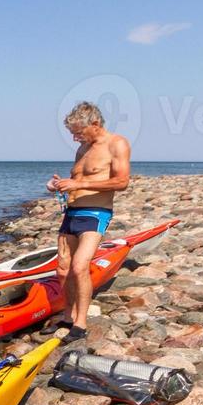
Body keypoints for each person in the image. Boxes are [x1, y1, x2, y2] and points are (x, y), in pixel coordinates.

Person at [47, 101, 132, 343]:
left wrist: (79, 184)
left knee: (79, 267)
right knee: (62, 269)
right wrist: (61, 183)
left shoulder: (117, 143)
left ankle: (80, 324)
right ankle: (67, 315)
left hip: (95, 213)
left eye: (79, 132)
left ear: (94, 124)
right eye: (73, 133)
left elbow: (122, 182)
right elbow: (79, 177)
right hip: (71, 212)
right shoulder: (83, 147)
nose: (75, 138)